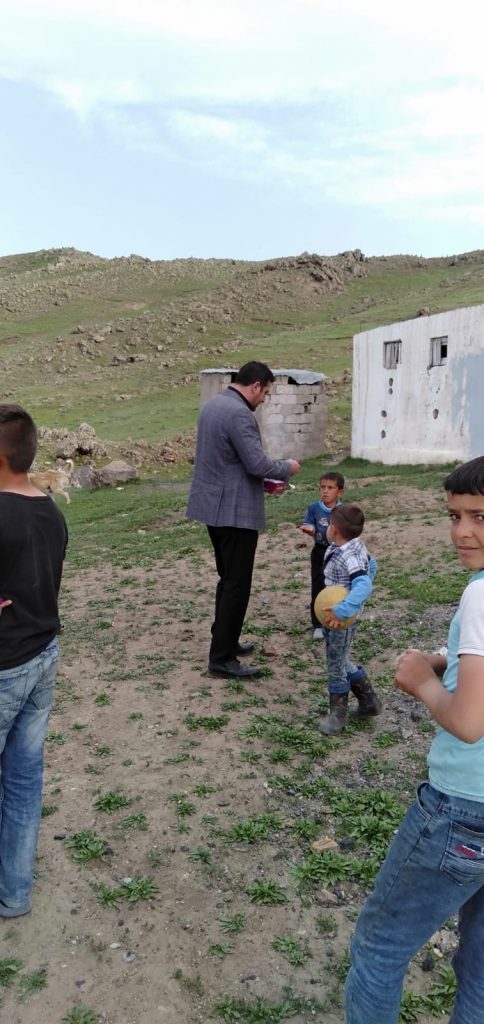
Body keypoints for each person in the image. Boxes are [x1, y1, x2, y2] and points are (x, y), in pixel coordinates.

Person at [345, 455, 484, 1024]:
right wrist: (448, 660)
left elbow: (469, 723)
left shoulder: (480, 595)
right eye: (454, 516)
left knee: (379, 948)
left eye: (479, 516)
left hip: (462, 810)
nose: (462, 532)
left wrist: (423, 682)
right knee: (480, 969)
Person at [187, 361, 300, 679]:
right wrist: (287, 468)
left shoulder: (213, 406)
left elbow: (227, 461)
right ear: (255, 386)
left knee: (228, 580)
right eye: (265, 392)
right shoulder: (240, 414)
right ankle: (222, 659)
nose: (263, 399)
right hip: (234, 512)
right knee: (237, 584)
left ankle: (226, 639)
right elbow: (256, 464)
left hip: (213, 507)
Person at [0, 404, 68, 918]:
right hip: (43, 654)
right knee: (24, 781)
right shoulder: (50, 510)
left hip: (5, 666)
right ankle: (15, 893)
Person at [317, 503, 380, 735]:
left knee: (335, 665)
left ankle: (337, 716)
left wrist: (344, 609)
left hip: (340, 621)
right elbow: (372, 565)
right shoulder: (355, 546)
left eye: (329, 524)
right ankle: (369, 701)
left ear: (334, 529)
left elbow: (363, 585)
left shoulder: (348, 555)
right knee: (341, 659)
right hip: (338, 617)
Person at [299, 471, 345, 638]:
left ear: (340, 492)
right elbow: (309, 524)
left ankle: (338, 617)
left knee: (337, 587)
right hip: (319, 552)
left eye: (330, 488)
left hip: (338, 553)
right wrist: (309, 529)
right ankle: (318, 624)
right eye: (322, 487)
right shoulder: (314, 508)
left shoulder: (343, 510)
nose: (325, 491)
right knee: (318, 587)